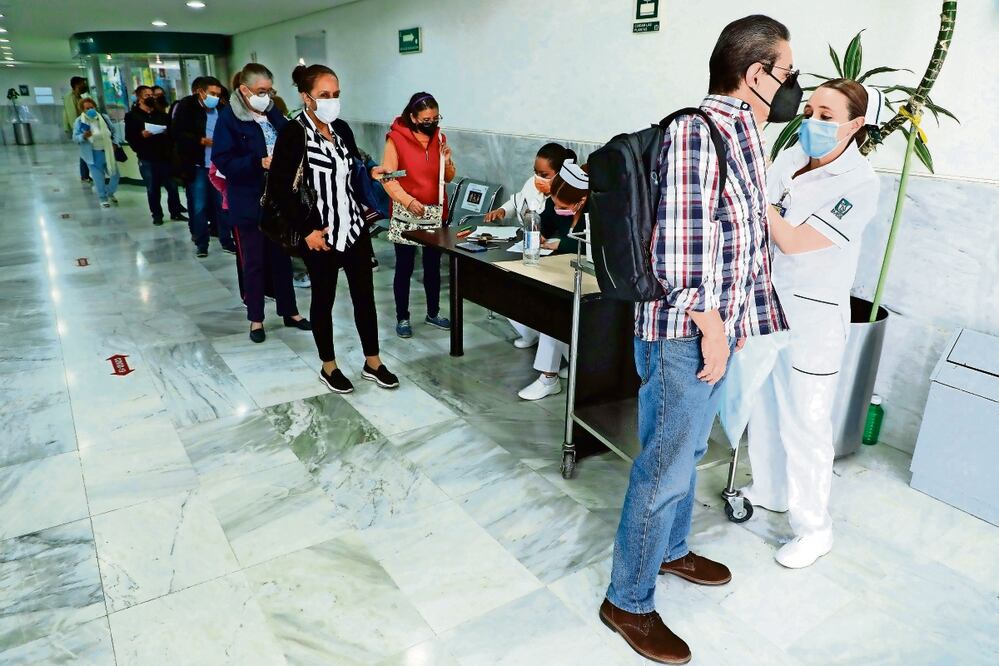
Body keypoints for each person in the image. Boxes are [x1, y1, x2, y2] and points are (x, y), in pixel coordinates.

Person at [601, 15, 796, 664]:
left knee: (684, 455)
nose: (792, 88)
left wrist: (732, 327)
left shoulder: (741, 135)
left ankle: (672, 551)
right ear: (755, 73)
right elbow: (681, 254)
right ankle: (626, 600)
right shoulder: (697, 133)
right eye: (787, 75)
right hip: (684, 333)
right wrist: (712, 330)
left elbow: (730, 244)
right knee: (662, 463)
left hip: (715, 331)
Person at [728, 79, 882, 570]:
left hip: (814, 321)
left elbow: (794, 240)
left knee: (808, 424)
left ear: (855, 125)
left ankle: (815, 529)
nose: (812, 122)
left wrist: (757, 198)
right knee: (768, 408)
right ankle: (771, 490)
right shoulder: (792, 158)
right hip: (771, 307)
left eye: (826, 115)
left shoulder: (860, 183)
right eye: (810, 110)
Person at [270, 64, 400, 393]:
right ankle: (329, 367)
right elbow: (279, 190)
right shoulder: (293, 133)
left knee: (365, 299)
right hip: (320, 234)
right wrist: (307, 230)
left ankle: (373, 362)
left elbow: (353, 165)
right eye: (324, 95)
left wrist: (368, 173)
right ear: (306, 97)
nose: (332, 101)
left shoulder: (340, 127)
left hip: (353, 228)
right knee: (324, 299)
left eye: (336, 94)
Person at [212, 63, 310, 343]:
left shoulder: (272, 113)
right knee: (254, 263)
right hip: (248, 201)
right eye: (260, 91)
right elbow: (222, 159)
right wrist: (259, 162)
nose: (266, 96)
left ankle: (289, 311)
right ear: (244, 90)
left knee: (282, 259)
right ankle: (256, 318)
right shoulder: (229, 118)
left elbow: (292, 138)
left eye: (269, 90)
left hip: (278, 201)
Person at [511, 159, 589, 401]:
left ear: (582, 201)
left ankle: (548, 378)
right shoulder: (562, 204)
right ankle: (569, 361)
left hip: (587, 280)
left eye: (563, 205)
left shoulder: (596, 215)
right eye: (554, 203)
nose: (558, 208)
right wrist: (539, 233)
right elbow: (542, 223)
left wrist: (556, 244)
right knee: (518, 292)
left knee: (552, 311)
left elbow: (584, 248)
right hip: (562, 272)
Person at [381, 92, 455, 339]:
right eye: (426, 119)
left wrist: (447, 161)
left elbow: (448, 177)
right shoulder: (396, 139)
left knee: (432, 266)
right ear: (413, 117)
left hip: (434, 212)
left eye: (435, 118)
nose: (432, 123)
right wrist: (408, 201)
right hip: (407, 210)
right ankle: (403, 317)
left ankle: (433, 312)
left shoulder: (440, 137)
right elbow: (388, 178)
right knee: (405, 266)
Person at [173, 76, 230, 256]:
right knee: (198, 207)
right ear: (201, 92)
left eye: (218, 94)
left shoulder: (222, 109)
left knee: (222, 206)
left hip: (218, 166)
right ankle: (201, 243)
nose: (215, 97)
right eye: (212, 93)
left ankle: (226, 241)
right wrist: (200, 141)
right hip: (197, 165)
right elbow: (177, 133)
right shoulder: (187, 107)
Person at [124, 85, 186, 226]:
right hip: (147, 157)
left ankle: (176, 212)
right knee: (153, 188)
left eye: (152, 95)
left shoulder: (161, 114)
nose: (151, 97)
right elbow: (130, 137)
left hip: (164, 156)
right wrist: (141, 135)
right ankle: (157, 215)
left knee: (172, 186)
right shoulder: (132, 116)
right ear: (139, 98)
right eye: (147, 95)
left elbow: (171, 131)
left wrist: (166, 132)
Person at [484, 142, 575, 223]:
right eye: (536, 172)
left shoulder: (565, 198)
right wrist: (502, 210)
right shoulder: (531, 183)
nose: (538, 178)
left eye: (544, 175)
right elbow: (518, 202)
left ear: (561, 173)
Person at [72, 98, 123, 209]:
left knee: (115, 175)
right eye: (87, 108)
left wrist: (115, 143)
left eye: (92, 107)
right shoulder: (79, 121)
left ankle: (109, 192)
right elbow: (75, 138)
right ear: (83, 110)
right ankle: (103, 198)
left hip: (108, 151)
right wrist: (84, 136)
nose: (91, 110)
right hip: (93, 154)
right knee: (99, 178)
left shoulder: (103, 118)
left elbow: (113, 131)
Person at [63, 76, 91, 183]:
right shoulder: (70, 97)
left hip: (83, 126)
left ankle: (85, 174)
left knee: (85, 150)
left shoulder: (79, 96)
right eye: (82, 83)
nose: (84, 85)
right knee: (84, 150)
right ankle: (84, 175)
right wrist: (79, 130)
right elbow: (72, 115)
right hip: (79, 128)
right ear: (76, 85)